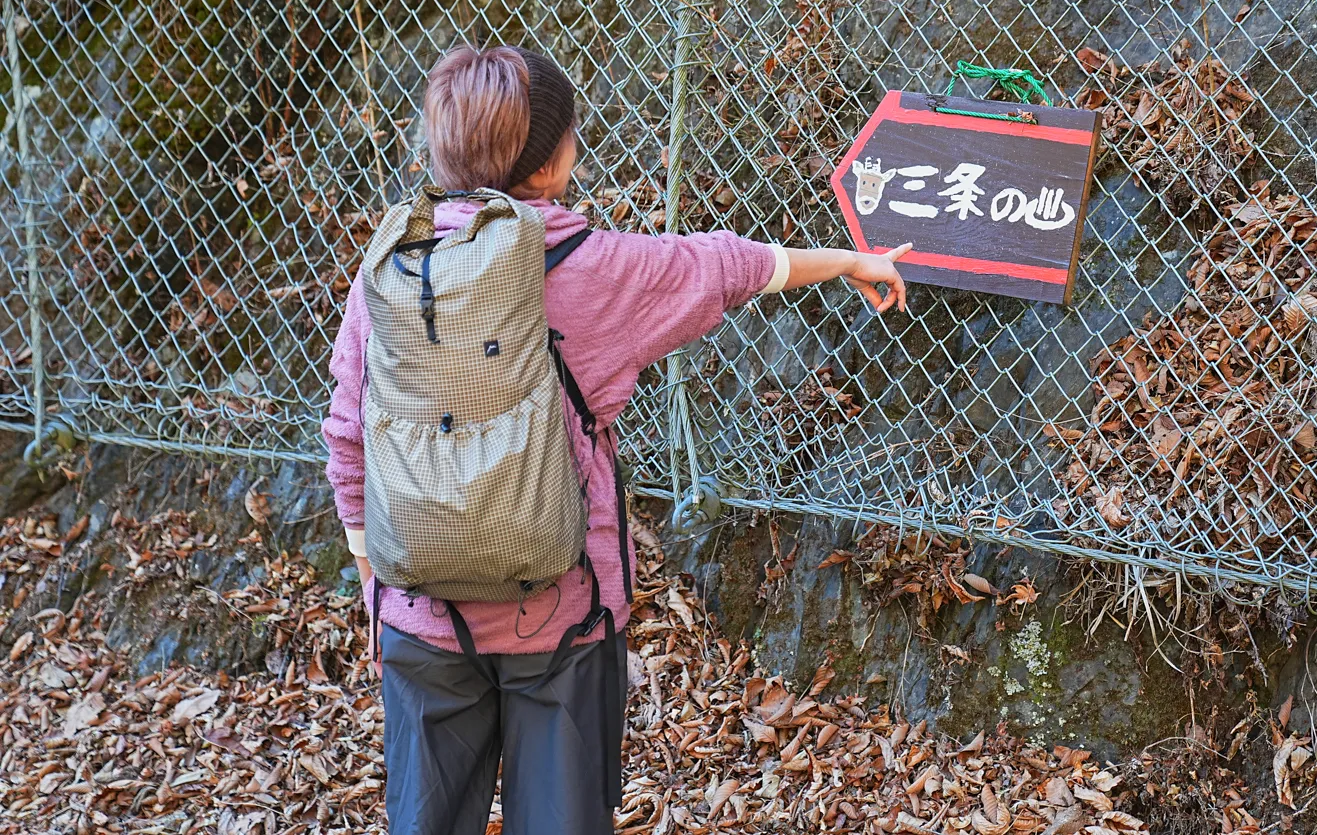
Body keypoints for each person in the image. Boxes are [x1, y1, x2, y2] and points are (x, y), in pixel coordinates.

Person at [321, 44, 911, 835]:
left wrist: (375, 582)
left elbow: (347, 436)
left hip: (421, 613)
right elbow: (723, 265)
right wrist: (846, 260)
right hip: (559, 618)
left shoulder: (393, 270)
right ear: (550, 164)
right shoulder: (595, 267)